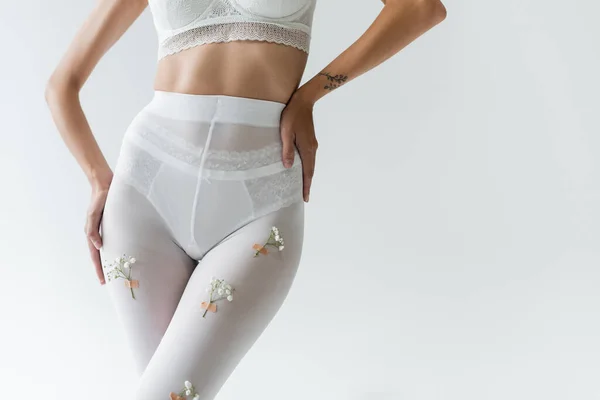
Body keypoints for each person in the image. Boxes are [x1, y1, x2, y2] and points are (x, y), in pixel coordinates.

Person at [45, 0, 446, 398]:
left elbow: (419, 8)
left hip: (260, 198)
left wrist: (310, 95)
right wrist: (99, 179)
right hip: (146, 195)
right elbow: (62, 85)